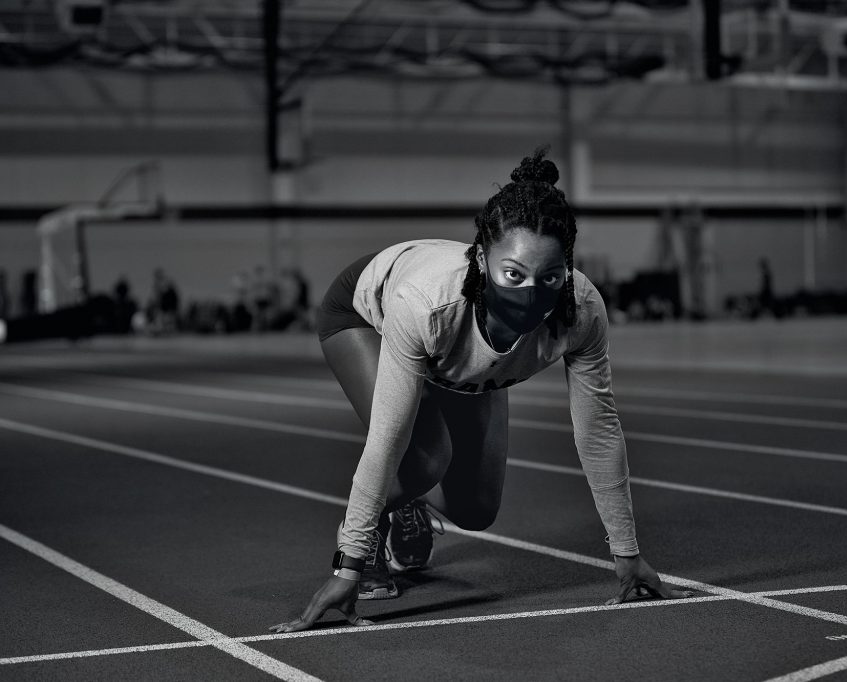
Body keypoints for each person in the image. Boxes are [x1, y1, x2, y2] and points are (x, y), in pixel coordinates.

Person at [270, 148, 690, 633]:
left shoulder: (582, 310)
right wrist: (349, 561)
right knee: (423, 456)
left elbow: (598, 431)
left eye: (549, 276)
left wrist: (627, 554)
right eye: (513, 274)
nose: (531, 294)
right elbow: (387, 437)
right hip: (367, 315)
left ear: (568, 268)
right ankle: (382, 520)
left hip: (457, 353)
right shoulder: (427, 305)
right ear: (481, 259)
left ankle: (409, 500)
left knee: (477, 510)